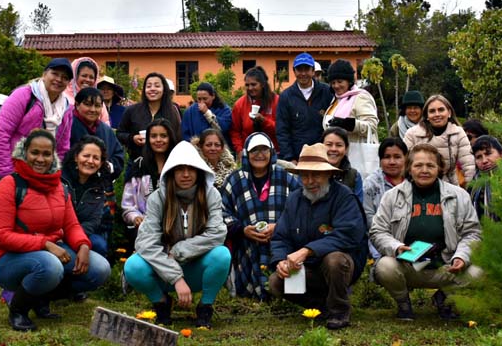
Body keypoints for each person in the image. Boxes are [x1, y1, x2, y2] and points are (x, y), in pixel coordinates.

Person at [0, 130, 110, 331]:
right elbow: (1, 235)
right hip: (6, 258)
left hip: (48, 253)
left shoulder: (58, 186)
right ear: (24, 153)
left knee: (100, 268)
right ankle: (18, 311)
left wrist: (83, 245)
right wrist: (45, 244)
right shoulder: (9, 186)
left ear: (53, 156)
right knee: (51, 266)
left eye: (46, 154)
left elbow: (71, 225)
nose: (40, 159)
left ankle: (41, 298)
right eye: (35, 153)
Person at [123, 141, 230, 329]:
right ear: (171, 172)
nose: (186, 174)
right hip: (163, 268)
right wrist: (176, 278)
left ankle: (205, 307)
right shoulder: (158, 198)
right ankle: (162, 303)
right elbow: (146, 243)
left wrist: (180, 250)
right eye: (180, 169)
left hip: (195, 265)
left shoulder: (211, 194)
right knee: (133, 266)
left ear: (199, 171)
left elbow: (217, 233)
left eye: (191, 169)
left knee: (222, 255)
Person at [370, 143, 482, 321]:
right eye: (418, 165)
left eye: (430, 165)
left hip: (446, 266)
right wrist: (396, 247)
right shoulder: (392, 196)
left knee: (477, 272)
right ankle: (403, 304)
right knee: (385, 266)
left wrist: (461, 256)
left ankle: (445, 297)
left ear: (439, 168)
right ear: (409, 168)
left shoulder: (459, 196)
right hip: (408, 266)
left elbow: (472, 233)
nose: (424, 170)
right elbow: (378, 231)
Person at [269, 143, 368, 330]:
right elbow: (281, 236)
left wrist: (307, 250)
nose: (309, 181)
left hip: (342, 266)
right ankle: (322, 306)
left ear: (328, 174)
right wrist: (281, 260)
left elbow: (348, 234)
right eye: (304, 175)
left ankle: (339, 311)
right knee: (276, 281)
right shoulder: (294, 199)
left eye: (316, 174)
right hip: (307, 269)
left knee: (334, 260)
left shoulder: (344, 197)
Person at [221, 132, 301, 300]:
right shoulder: (235, 180)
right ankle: (251, 294)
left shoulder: (286, 177)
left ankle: (285, 298)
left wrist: (279, 226)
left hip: (282, 242)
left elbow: (301, 208)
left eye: (264, 149)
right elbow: (222, 212)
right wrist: (243, 230)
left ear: (271, 152)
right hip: (247, 246)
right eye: (254, 150)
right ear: (246, 154)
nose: (259, 154)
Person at [0, 58, 74, 194]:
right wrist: (8, 173)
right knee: (4, 209)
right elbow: (0, 133)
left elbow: (62, 147)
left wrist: (52, 174)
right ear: (44, 74)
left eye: (64, 77)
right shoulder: (24, 95)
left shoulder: (65, 109)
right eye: (55, 74)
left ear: (68, 83)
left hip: (32, 168)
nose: (59, 79)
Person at [117, 72, 182, 178]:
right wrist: (132, 138)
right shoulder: (132, 110)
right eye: (148, 86)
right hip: (137, 163)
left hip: (164, 165)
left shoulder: (172, 112)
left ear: (164, 89)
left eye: (157, 86)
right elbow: (120, 133)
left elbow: (178, 137)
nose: (152, 89)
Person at [121, 119, 179, 236]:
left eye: (163, 136)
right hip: (144, 229)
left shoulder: (179, 167)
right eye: (153, 136)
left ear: (170, 138)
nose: (158, 140)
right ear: (148, 139)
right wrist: (135, 217)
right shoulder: (139, 166)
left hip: (175, 228)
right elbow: (128, 204)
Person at [403, 95, 475, 186]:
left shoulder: (458, 133)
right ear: (427, 116)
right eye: (432, 111)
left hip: (450, 186)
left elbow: (469, 165)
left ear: (449, 113)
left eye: (441, 110)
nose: (437, 114)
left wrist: (470, 190)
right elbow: (405, 164)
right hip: (419, 185)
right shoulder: (412, 134)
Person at [276, 52, 334, 163]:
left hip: (324, 156)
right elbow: (282, 130)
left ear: (313, 71)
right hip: (298, 158)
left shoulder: (326, 91)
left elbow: (333, 125)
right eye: (299, 69)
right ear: (294, 71)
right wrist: (290, 157)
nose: (303, 73)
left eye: (307, 69)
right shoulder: (286, 97)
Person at [61, 136, 112, 257]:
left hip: (83, 233)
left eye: (96, 158)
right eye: (86, 156)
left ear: (101, 163)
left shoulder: (100, 188)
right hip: (58, 233)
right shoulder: (60, 180)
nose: (90, 161)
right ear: (76, 157)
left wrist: (75, 235)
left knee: (100, 245)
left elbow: (94, 221)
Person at [363, 138, 408, 258]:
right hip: (380, 237)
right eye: (387, 157)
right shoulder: (370, 184)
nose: (392, 162)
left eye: (397, 157)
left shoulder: (413, 181)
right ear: (380, 160)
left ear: (406, 158)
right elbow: (369, 217)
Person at [70, 87, 124, 182]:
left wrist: (107, 166)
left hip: (100, 187)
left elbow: (118, 155)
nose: (93, 109)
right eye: (88, 105)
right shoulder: (67, 125)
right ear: (77, 105)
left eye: (98, 106)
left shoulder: (106, 130)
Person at [322, 59, 379, 143]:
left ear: (349, 81)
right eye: (333, 83)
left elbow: (372, 126)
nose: (336, 86)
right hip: (338, 152)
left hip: (357, 153)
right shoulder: (336, 99)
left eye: (340, 81)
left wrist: (349, 124)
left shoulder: (360, 97)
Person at [230, 67, 279, 156]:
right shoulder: (240, 104)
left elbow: (281, 128)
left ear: (263, 84)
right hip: (249, 153)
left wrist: (264, 121)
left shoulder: (276, 101)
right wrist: (240, 150)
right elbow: (235, 131)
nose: (250, 88)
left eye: (253, 84)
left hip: (274, 153)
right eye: (247, 85)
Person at [470, 136, 502, 222]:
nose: (484, 161)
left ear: (501, 153)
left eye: (488, 154)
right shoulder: (475, 184)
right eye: (479, 157)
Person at [321, 127, 363, 203]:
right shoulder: (309, 172)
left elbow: (357, 208)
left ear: (346, 149)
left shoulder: (354, 176)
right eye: (329, 144)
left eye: (339, 145)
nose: (333, 149)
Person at [66, 57, 109, 124]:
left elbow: (105, 123)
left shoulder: (98, 100)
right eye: (84, 76)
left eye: (91, 77)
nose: (88, 80)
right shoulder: (64, 98)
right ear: (75, 76)